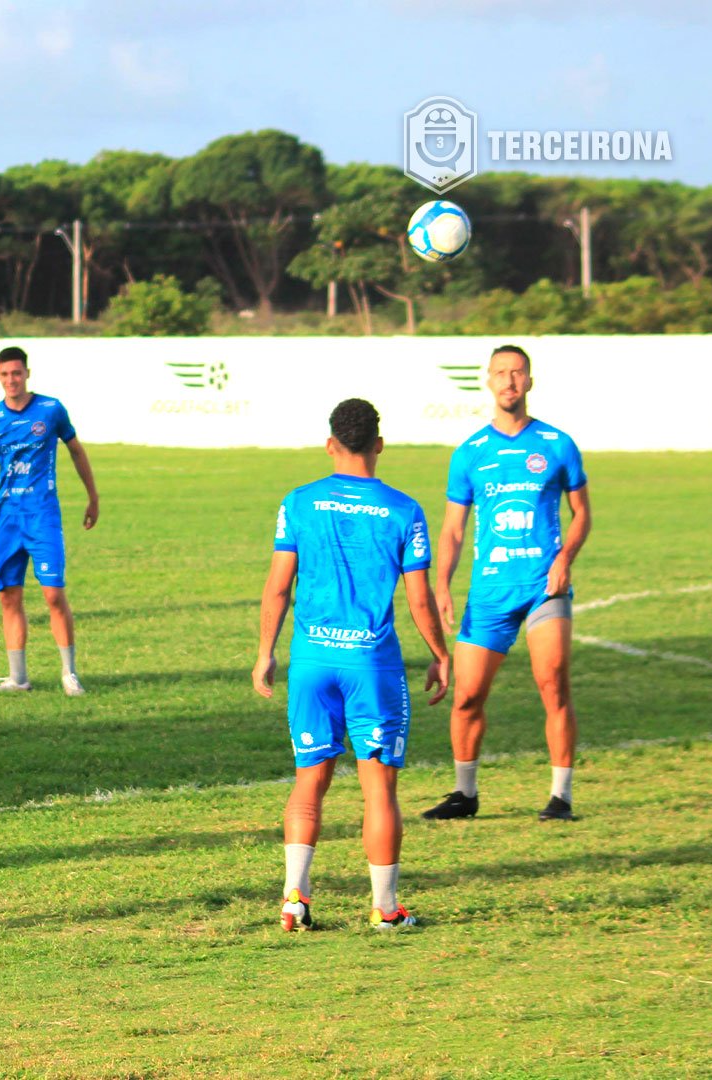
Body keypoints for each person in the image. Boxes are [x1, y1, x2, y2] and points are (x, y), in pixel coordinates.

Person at [254, 398, 449, 933]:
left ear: (331, 444)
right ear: (379, 445)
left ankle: (295, 898)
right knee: (378, 790)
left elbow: (277, 588)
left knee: (308, 782)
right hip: (371, 664)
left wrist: (266, 652)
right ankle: (385, 909)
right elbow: (420, 600)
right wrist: (439, 654)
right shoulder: (404, 510)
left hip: (311, 660)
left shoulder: (298, 503)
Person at [422, 345, 592, 823]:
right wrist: (442, 583)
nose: (509, 381)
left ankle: (561, 796)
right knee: (467, 695)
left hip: (543, 587)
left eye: (517, 373)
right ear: (489, 381)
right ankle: (465, 793)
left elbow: (582, 514)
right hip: (489, 592)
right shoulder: (469, 453)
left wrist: (565, 559)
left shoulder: (558, 444)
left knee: (552, 683)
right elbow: (454, 528)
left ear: (530, 382)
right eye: (500, 373)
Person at [0, 346, 98, 696]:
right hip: (6, 519)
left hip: (43, 515)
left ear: (27, 373)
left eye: (16, 373)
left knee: (53, 594)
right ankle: (18, 678)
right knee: (9, 597)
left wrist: (93, 497)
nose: (11, 380)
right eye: (4, 375)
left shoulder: (51, 409)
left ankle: (69, 672)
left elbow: (75, 450)